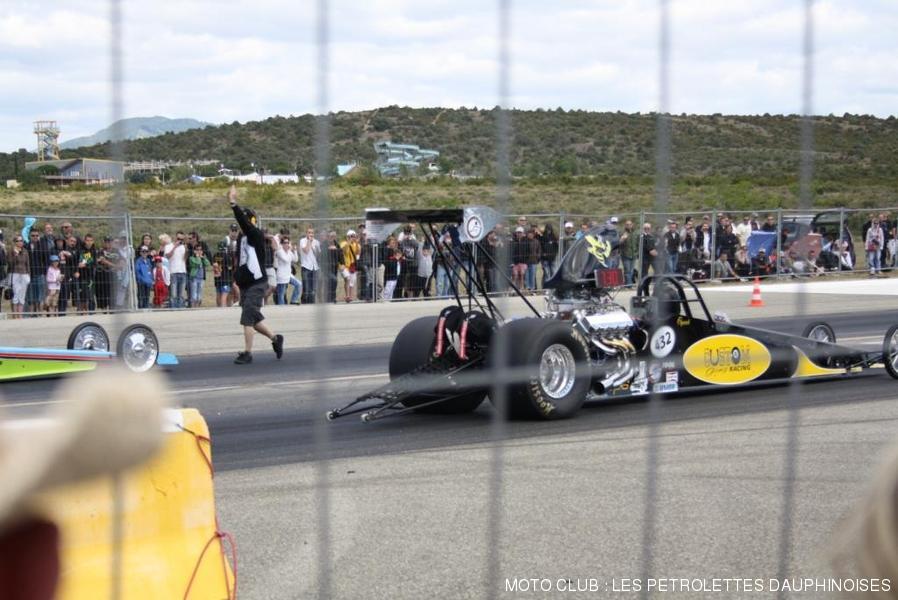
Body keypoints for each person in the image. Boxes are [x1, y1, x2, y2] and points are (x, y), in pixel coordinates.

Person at [228, 185, 284, 364]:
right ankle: (276, 339)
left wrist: (233, 203)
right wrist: (237, 279)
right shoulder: (242, 239)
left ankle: (248, 353)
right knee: (253, 318)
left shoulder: (255, 234)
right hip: (246, 284)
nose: (241, 225)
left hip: (257, 283)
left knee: (247, 318)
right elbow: (241, 260)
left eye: (245, 220)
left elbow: (244, 223)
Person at [273, 234, 299, 305]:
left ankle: (293, 300)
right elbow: (286, 260)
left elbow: (296, 259)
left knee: (298, 284)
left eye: (288, 242)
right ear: (282, 244)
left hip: (288, 275)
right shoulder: (279, 251)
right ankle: (281, 308)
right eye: (285, 243)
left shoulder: (289, 252)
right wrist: (289, 251)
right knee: (281, 294)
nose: (287, 244)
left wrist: (295, 251)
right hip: (281, 276)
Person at [165, 231, 188, 308]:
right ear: (175, 237)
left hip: (183, 272)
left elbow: (185, 259)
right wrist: (175, 247)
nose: (180, 240)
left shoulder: (183, 246)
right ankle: (173, 309)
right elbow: (167, 256)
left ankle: (180, 309)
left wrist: (186, 249)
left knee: (181, 294)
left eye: (182, 239)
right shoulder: (169, 246)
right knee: (173, 294)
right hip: (173, 272)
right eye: (178, 238)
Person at [299, 226, 320, 304]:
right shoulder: (302, 241)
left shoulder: (316, 242)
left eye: (312, 233)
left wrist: (316, 249)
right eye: (309, 232)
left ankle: (312, 304)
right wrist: (309, 241)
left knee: (313, 289)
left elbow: (318, 255)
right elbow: (306, 251)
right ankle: (304, 303)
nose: (311, 234)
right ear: (306, 233)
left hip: (315, 267)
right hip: (306, 267)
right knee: (306, 288)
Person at [10, 235, 29, 319]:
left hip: (24, 274)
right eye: (18, 241)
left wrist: (28, 275)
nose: (20, 242)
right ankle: (15, 315)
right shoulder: (12, 251)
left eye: (21, 240)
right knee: (16, 294)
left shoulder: (25, 251)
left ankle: (20, 315)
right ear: (15, 242)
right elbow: (10, 263)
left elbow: (27, 264)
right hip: (15, 274)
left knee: (22, 295)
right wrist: (15, 255)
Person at [213, 240, 236, 307]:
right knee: (224, 296)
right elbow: (230, 268)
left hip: (217, 279)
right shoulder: (227, 256)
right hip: (226, 279)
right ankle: (223, 309)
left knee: (218, 295)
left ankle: (218, 308)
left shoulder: (215, 256)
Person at [339, 230, 361, 303]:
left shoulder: (355, 244)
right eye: (351, 236)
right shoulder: (343, 243)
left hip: (352, 265)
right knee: (347, 278)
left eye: (354, 236)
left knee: (352, 281)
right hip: (344, 265)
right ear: (347, 236)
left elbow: (358, 253)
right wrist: (348, 242)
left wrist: (357, 243)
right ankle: (347, 296)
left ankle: (350, 297)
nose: (353, 238)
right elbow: (344, 251)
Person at [620, 220, 638, 285]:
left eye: (630, 224)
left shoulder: (635, 233)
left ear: (632, 225)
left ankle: (628, 283)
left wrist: (637, 252)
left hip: (634, 255)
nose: (629, 225)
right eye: (627, 224)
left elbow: (637, 243)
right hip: (625, 255)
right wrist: (622, 239)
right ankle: (629, 285)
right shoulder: (622, 233)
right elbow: (619, 243)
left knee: (631, 270)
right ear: (625, 225)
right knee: (627, 271)